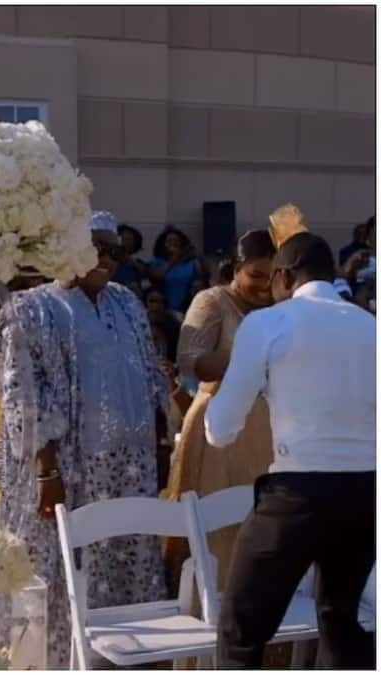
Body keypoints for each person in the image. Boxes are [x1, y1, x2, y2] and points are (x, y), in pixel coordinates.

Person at [0, 214, 169, 668]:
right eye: (97, 248)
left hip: (131, 470)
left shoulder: (126, 302)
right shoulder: (29, 309)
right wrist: (47, 471)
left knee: (126, 565)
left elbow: (148, 379)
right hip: (67, 473)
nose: (107, 259)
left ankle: (123, 660)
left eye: (115, 251)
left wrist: (160, 445)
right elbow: (24, 402)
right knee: (66, 575)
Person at [205, 233, 375, 668]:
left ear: (284, 276)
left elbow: (221, 428)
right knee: (340, 618)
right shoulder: (372, 327)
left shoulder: (268, 323)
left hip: (297, 493)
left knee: (241, 628)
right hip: (367, 494)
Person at [162, 230, 277, 589]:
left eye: (273, 277)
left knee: (264, 526)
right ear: (236, 268)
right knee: (217, 525)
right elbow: (191, 362)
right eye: (256, 275)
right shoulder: (212, 301)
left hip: (270, 435)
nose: (264, 286)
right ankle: (210, 612)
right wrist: (251, 347)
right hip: (218, 432)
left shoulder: (281, 308)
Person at [148, 226, 208, 316]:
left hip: (187, 309)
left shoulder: (191, 263)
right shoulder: (156, 262)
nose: (173, 243)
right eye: (169, 241)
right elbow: (157, 276)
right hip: (164, 310)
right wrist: (172, 261)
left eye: (176, 240)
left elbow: (202, 279)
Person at [111, 220, 147, 297]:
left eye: (130, 239)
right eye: (124, 239)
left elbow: (145, 286)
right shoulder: (107, 263)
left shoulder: (139, 266)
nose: (126, 243)